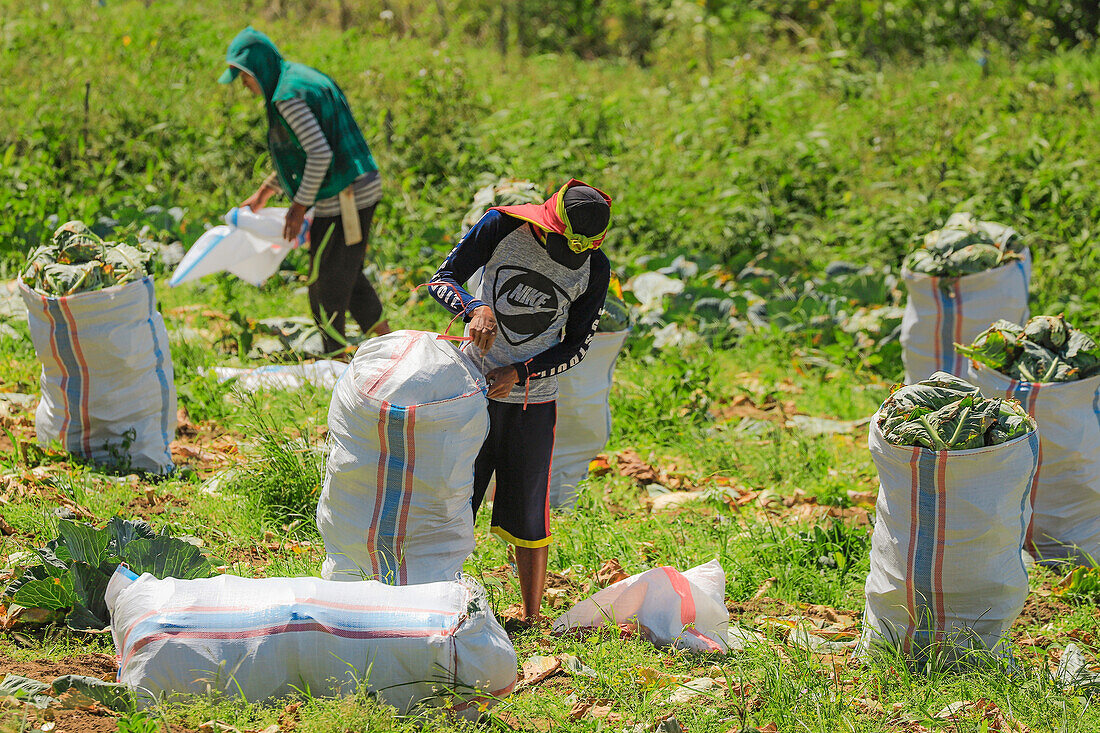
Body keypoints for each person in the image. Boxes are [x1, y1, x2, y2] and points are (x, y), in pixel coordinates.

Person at [428, 179, 612, 623]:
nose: (571, 258)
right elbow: (441, 279)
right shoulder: (501, 225)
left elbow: (576, 346)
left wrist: (520, 373)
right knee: (455, 499)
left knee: (529, 509)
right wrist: (475, 308)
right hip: (470, 389)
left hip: (533, 404)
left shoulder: (595, 268)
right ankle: (433, 602)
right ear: (548, 225)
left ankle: (531, 617)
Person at [219, 26, 390, 354]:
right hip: (356, 183)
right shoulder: (300, 78)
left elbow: (319, 153)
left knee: (324, 288)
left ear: (259, 68)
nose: (245, 85)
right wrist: (266, 191)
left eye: (245, 76)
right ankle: (395, 345)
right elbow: (302, 151)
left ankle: (337, 363)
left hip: (346, 198)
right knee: (347, 276)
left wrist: (298, 208)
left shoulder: (286, 98)